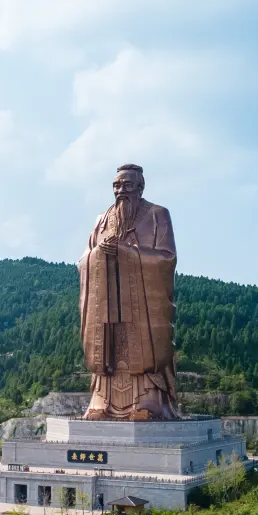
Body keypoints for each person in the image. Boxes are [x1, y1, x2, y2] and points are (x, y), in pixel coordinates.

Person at [78, 164, 179, 420]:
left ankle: (148, 400)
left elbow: (167, 258)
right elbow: (84, 260)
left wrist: (127, 253)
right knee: (107, 348)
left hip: (140, 302)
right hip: (106, 301)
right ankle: (102, 400)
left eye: (127, 185)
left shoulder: (157, 214)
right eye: (116, 185)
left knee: (142, 346)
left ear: (140, 187)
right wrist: (99, 254)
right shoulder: (102, 219)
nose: (121, 190)